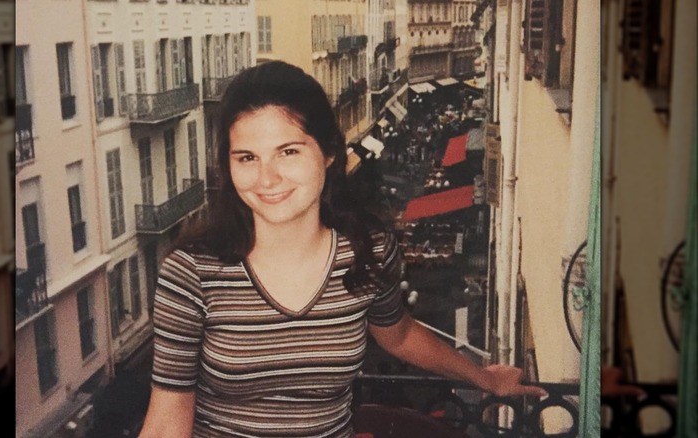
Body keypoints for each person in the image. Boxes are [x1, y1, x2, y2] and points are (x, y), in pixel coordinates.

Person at [138, 61, 546, 438]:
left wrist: (484, 378)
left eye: (288, 151)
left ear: (329, 152)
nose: (267, 178)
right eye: (247, 157)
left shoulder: (368, 253)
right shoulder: (192, 273)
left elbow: (399, 334)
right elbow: (168, 417)